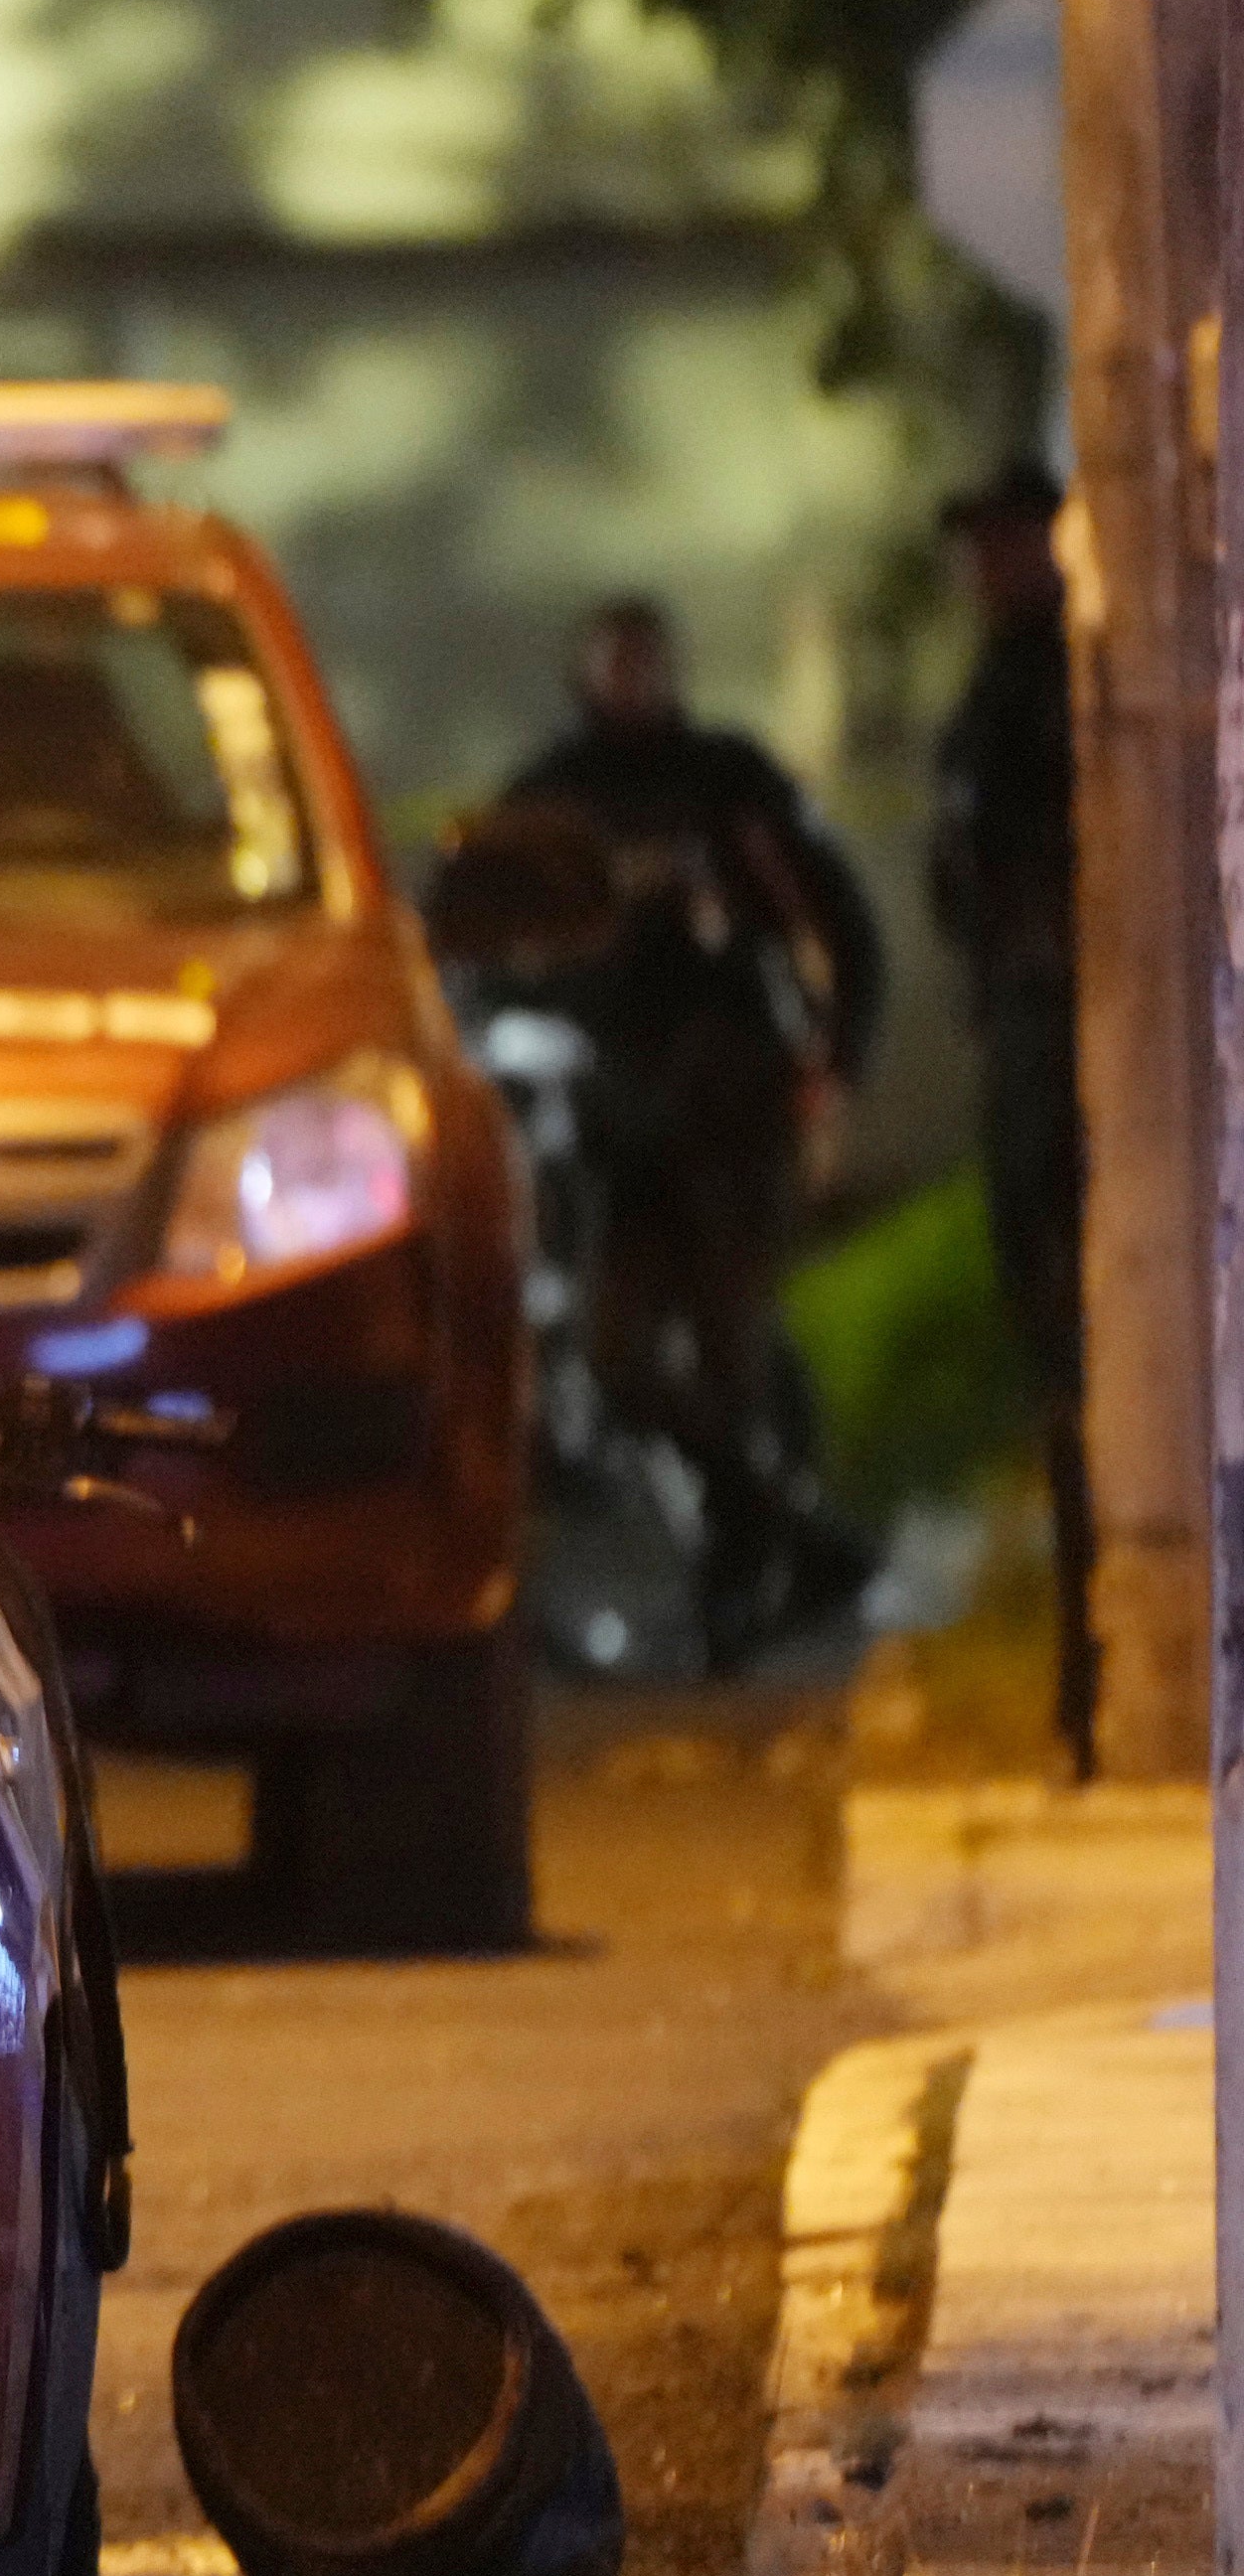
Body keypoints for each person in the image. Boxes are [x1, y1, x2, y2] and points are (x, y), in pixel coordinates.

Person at [471, 593, 891, 1669]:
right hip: (621, 1129)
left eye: (646, 660)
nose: (632, 680)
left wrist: (834, 1061)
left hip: (727, 1116)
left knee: (731, 1352)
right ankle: (778, 1530)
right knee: (616, 1360)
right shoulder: (552, 797)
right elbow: (477, 926)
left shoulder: (727, 782)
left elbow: (838, 916)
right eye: (615, 661)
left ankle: (742, 1579)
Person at [922, 463, 1085, 1765]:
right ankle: (1084, 1666)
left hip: (1078, 1035)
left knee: (1086, 1358)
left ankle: (1096, 1664)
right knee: (1057, 1363)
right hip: (1028, 1033)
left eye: (1006, 544)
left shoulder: (1074, 676)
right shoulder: (991, 690)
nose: (986, 570)